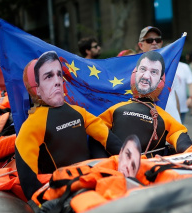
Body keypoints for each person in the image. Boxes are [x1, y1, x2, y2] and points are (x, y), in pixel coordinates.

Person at [15, 51, 123, 199]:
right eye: (49, 76)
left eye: (59, 74)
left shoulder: (79, 112)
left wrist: (135, 160)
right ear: (37, 89)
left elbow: (109, 140)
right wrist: (47, 206)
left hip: (93, 182)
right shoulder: (32, 126)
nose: (58, 81)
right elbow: (29, 181)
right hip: (65, 194)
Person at [98, 51, 192, 157]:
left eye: (154, 72)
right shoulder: (115, 110)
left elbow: (181, 138)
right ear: (135, 73)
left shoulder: (164, 117)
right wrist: (102, 161)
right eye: (143, 69)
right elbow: (96, 131)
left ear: (160, 81)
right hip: (114, 166)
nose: (146, 76)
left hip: (149, 169)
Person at [137, 26, 182, 123]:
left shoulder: (170, 66)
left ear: (161, 43)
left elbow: (174, 96)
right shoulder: (136, 70)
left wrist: (179, 121)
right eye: (149, 40)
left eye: (157, 40)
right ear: (141, 45)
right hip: (149, 126)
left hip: (173, 126)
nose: (154, 43)